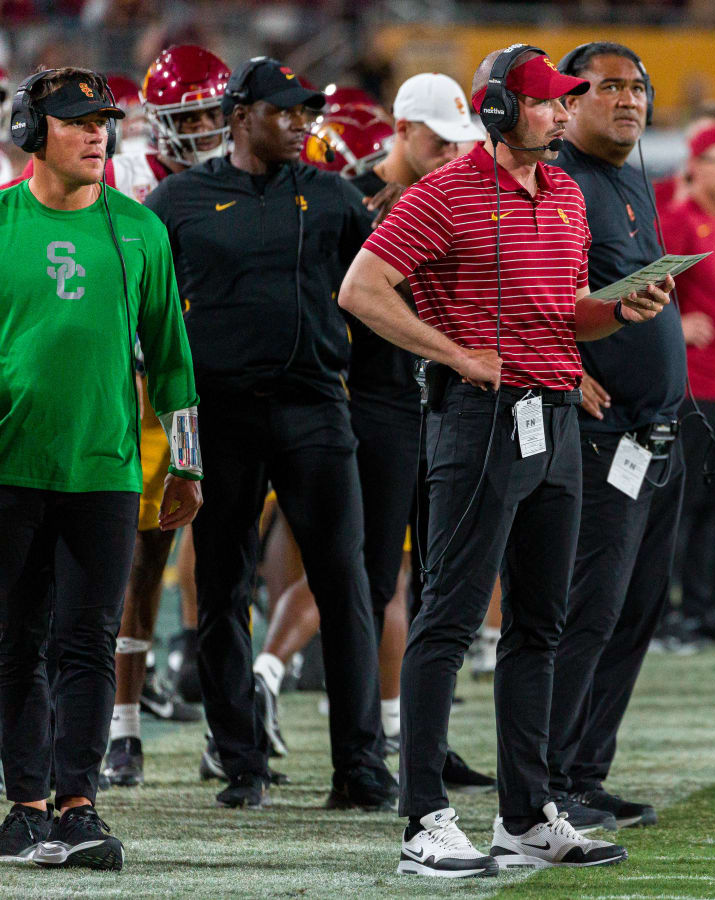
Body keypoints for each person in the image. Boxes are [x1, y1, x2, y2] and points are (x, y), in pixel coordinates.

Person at [338, 44, 670, 875]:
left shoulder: (562, 192)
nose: (563, 114)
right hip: (481, 422)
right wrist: (451, 352)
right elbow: (362, 288)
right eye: (550, 102)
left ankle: (524, 815)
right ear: (499, 111)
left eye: (565, 102)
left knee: (538, 625)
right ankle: (423, 820)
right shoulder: (443, 192)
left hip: (555, 420)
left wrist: (621, 310)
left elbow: (567, 314)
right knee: (449, 618)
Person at [144, 57, 395, 812]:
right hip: (218, 414)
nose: (298, 123)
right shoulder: (177, 201)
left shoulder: (333, 196)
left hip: (317, 407)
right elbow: (150, 315)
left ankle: (359, 765)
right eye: (283, 111)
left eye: (305, 112)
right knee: (221, 589)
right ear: (240, 113)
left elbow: (373, 296)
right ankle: (240, 759)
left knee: (345, 583)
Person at [250, 71, 495, 793]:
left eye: (459, 143)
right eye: (438, 141)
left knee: (431, 581)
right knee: (364, 573)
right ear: (402, 129)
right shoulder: (346, 195)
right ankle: (356, 740)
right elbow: (333, 300)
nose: (452, 155)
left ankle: (418, 737)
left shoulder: (445, 196)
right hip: (372, 402)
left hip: (433, 403)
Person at [0, 66, 201, 869]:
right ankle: (24, 807)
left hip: (108, 470)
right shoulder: (1, 223)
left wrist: (185, 466)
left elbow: (176, 362)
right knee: (16, 642)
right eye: (79, 121)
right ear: (30, 132)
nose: (98, 134)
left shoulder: (140, 230)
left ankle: (79, 806)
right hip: (9, 469)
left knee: (88, 640)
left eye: (104, 121)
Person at [544, 41, 686, 831]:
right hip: (602, 436)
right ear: (570, 100)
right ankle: (549, 778)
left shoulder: (632, 178)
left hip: (657, 434)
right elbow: (528, 289)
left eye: (638, 87)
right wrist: (565, 368)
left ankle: (586, 771)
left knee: (633, 611)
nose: (629, 100)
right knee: (585, 612)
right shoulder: (558, 180)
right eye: (609, 88)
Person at [101, 42, 231, 790]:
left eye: (215, 113)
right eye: (194, 115)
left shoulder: (238, 177)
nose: (207, 127)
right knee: (139, 559)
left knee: (216, 565)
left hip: (210, 391)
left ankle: (230, 721)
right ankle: (122, 728)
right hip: (139, 394)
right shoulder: (121, 177)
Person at [660, 122, 715, 647]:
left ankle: (705, 610)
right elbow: (644, 293)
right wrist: (676, 324)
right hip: (692, 384)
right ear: (694, 165)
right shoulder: (677, 223)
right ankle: (666, 613)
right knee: (683, 504)